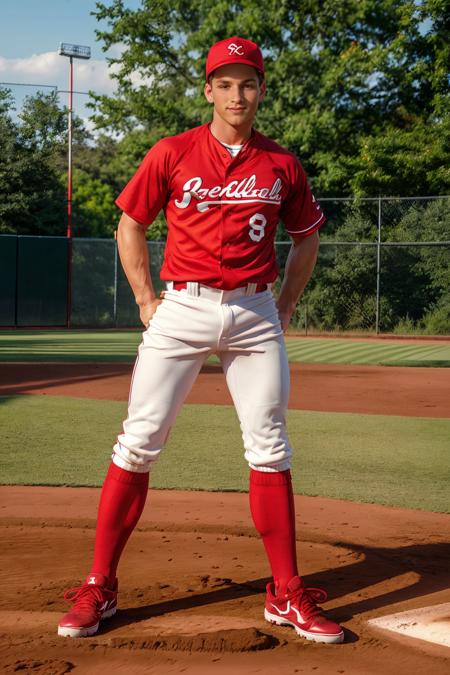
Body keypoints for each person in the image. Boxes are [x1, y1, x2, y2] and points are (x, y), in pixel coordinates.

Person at [58, 36, 344, 644]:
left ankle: (285, 592)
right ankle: (100, 584)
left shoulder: (281, 164)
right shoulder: (172, 152)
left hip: (254, 308)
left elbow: (308, 237)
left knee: (270, 446)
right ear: (208, 90)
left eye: (248, 83)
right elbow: (129, 224)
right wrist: (144, 300)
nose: (237, 94)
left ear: (260, 90)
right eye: (226, 83)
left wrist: (287, 302)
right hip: (182, 306)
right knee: (138, 441)